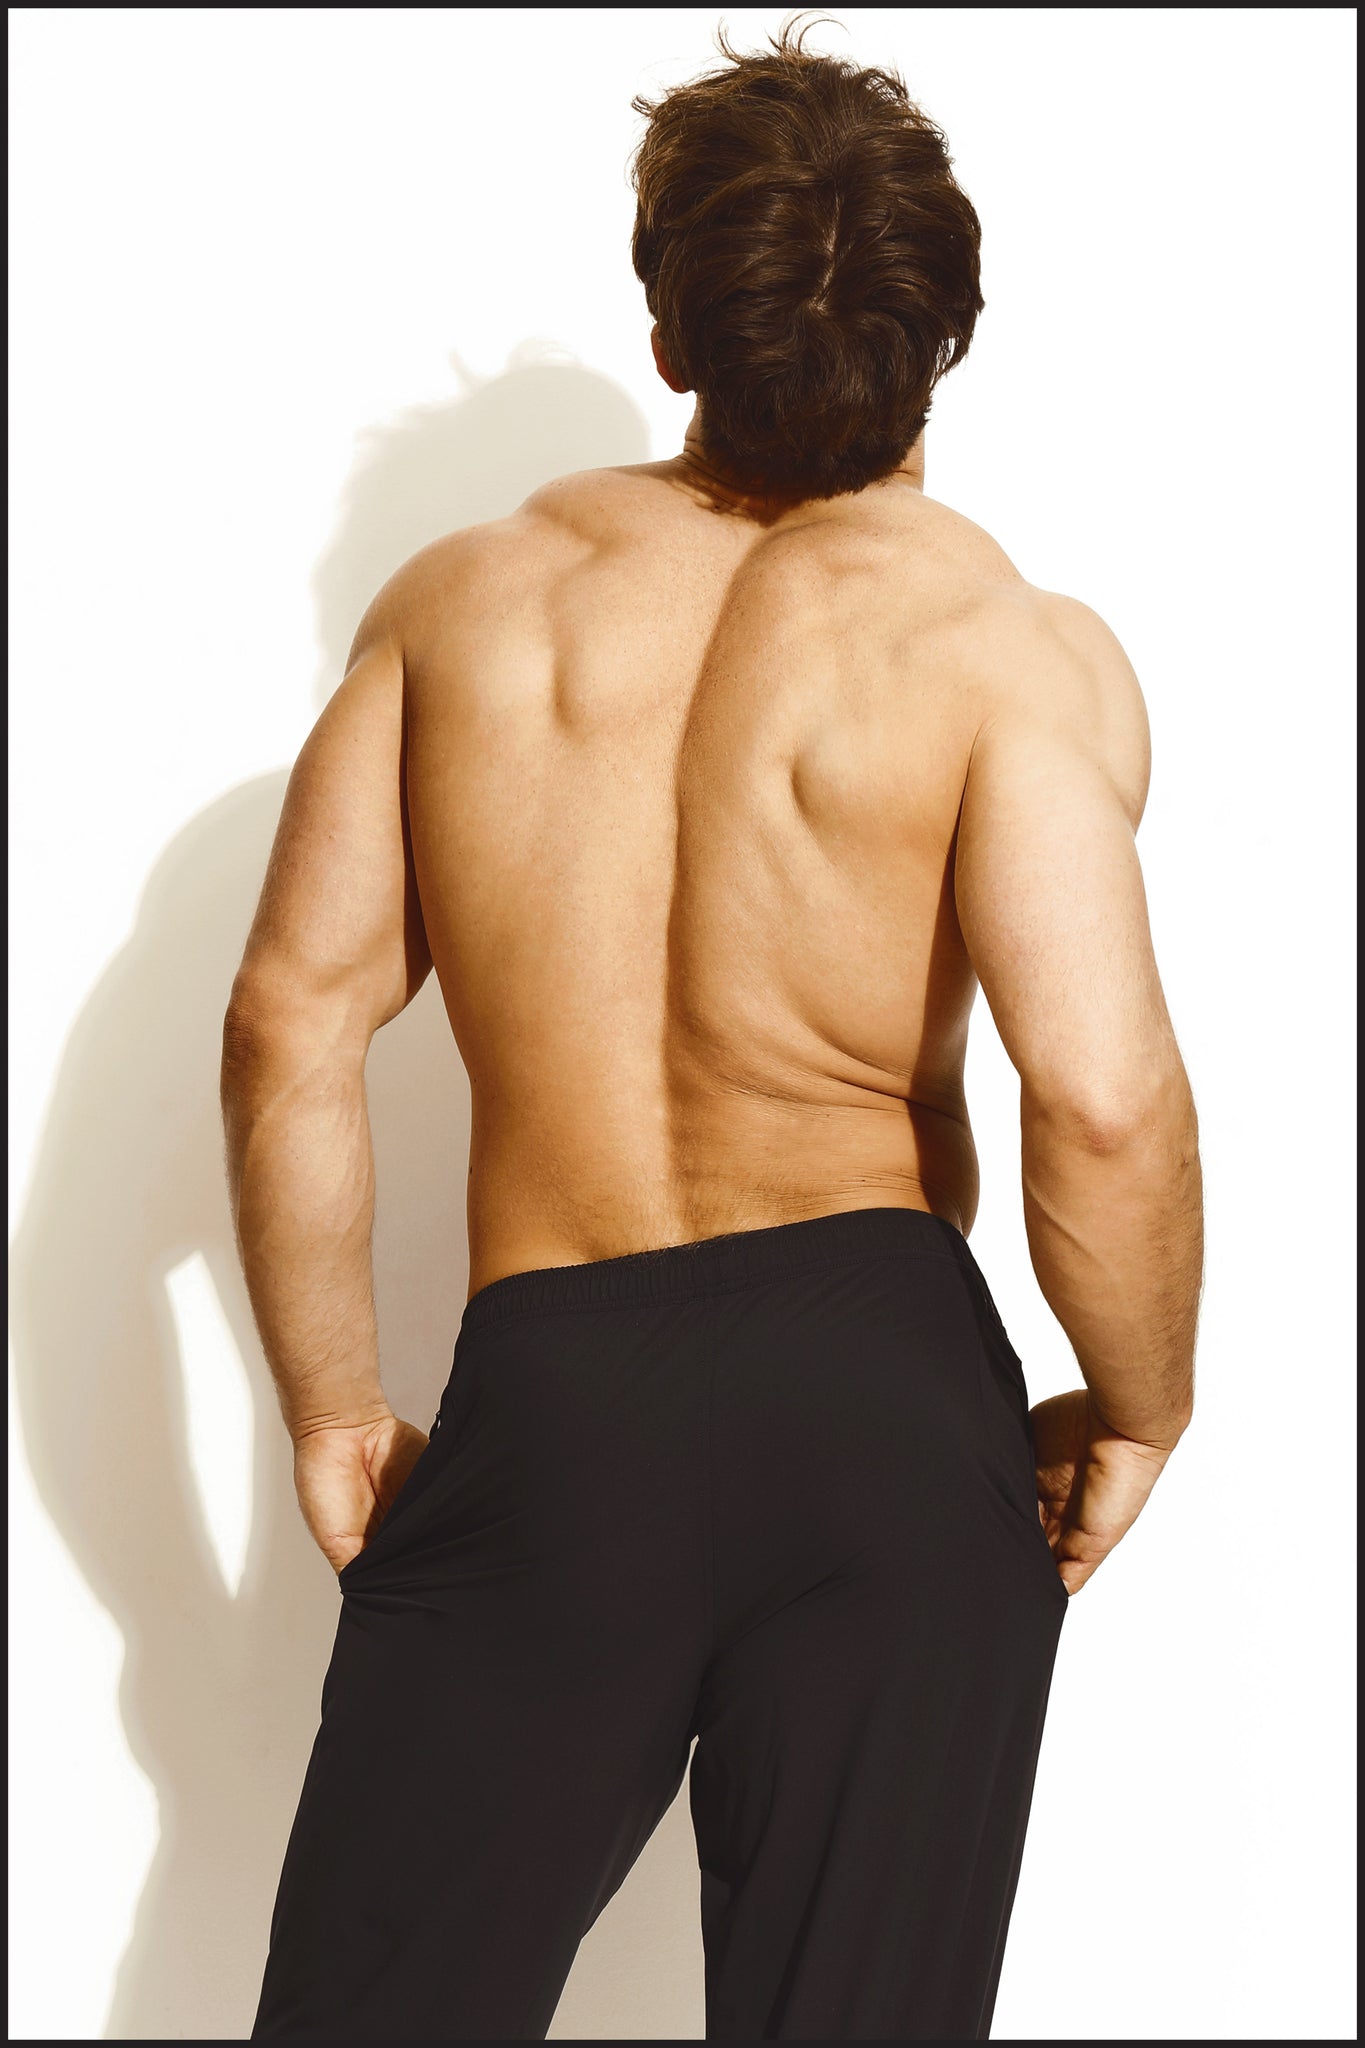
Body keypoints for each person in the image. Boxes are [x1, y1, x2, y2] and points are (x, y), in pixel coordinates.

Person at [226, 20, 1202, 2041]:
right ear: (946, 340)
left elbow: (290, 1017)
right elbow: (1100, 1099)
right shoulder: (1006, 650)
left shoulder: (468, 608)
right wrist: (1135, 1405)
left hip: (559, 1392)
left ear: (669, 334)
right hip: (883, 1405)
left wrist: (331, 1405)